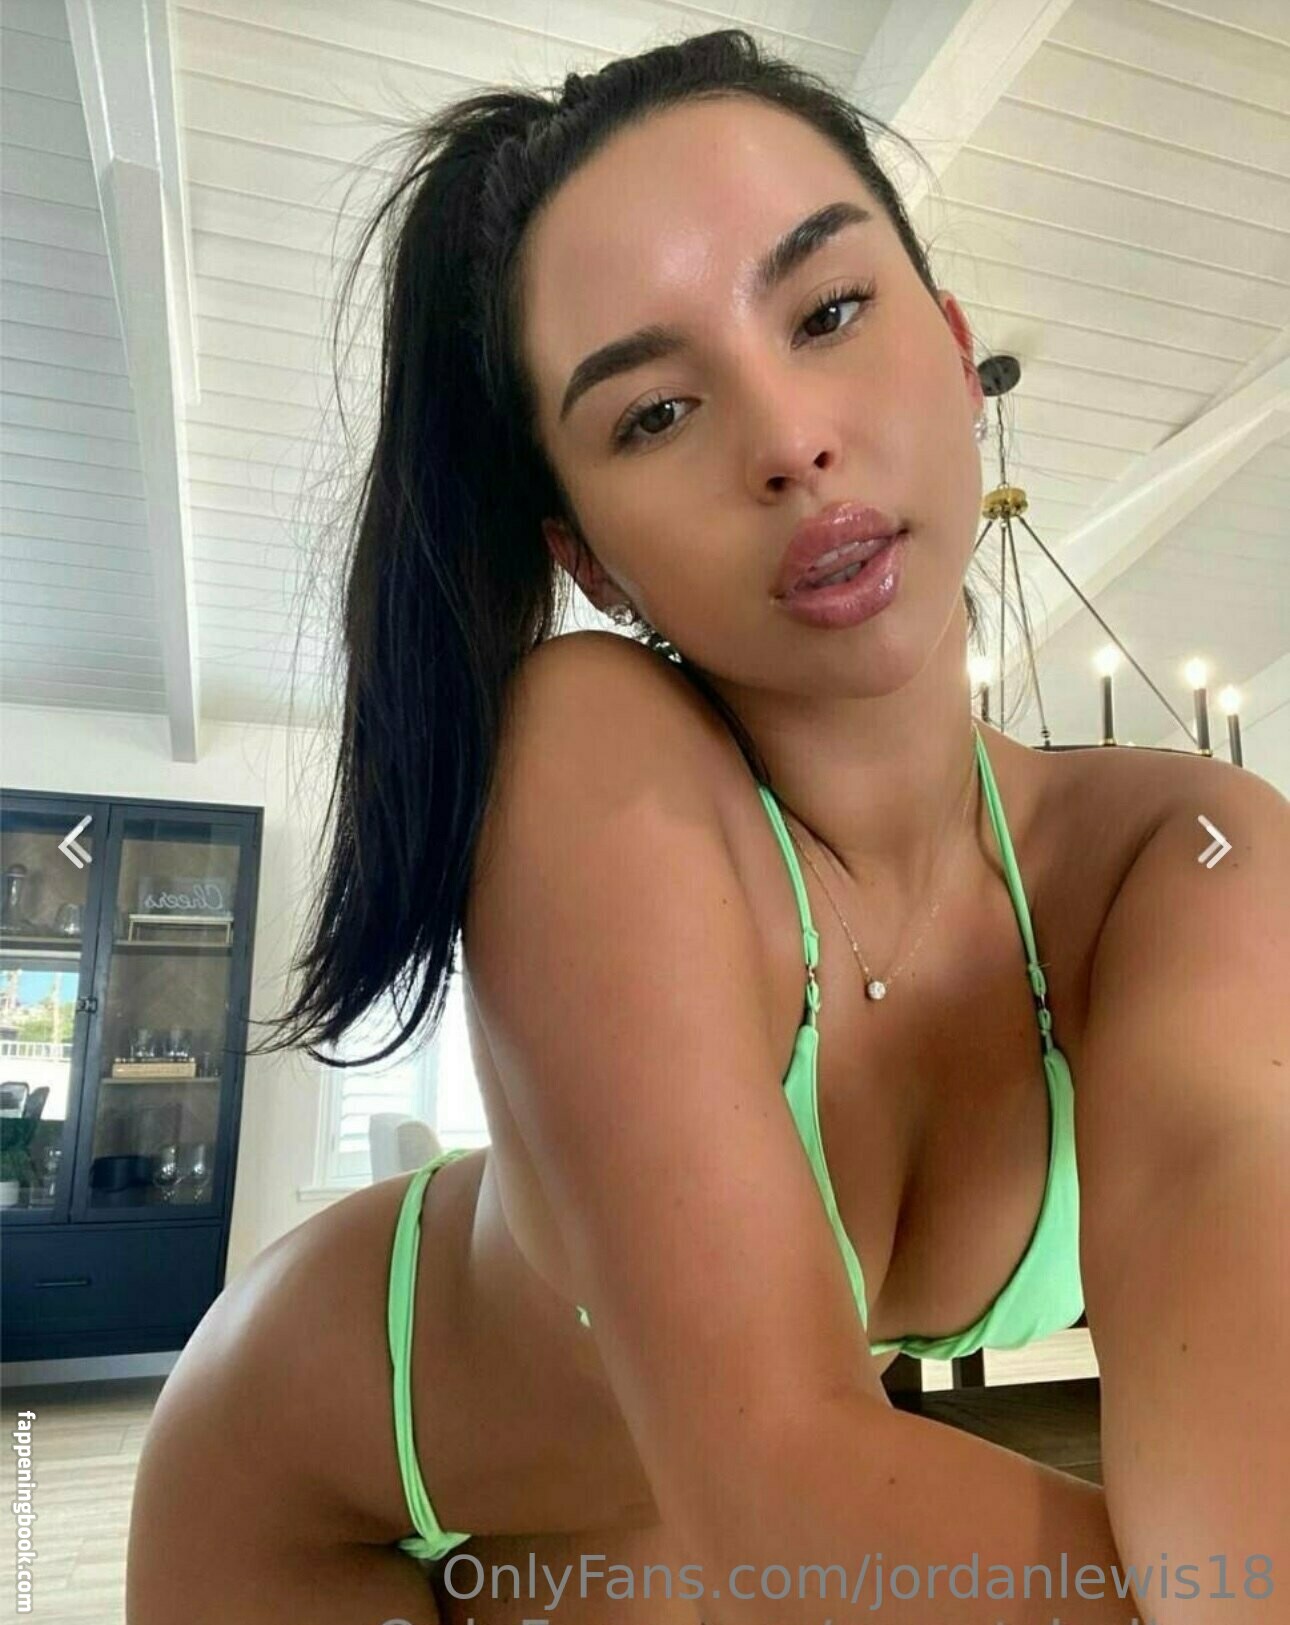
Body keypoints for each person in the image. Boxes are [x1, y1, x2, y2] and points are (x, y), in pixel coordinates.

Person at [126, 29, 1289, 1625]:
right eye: (656, 412)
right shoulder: (589, 750)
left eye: (826, 312)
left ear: (958, 351)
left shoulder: (1190, 857)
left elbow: (1231, 1494)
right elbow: (781, 1473)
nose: (786, 440)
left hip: (667, 1527)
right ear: (588, 558)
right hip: (329, 1493)